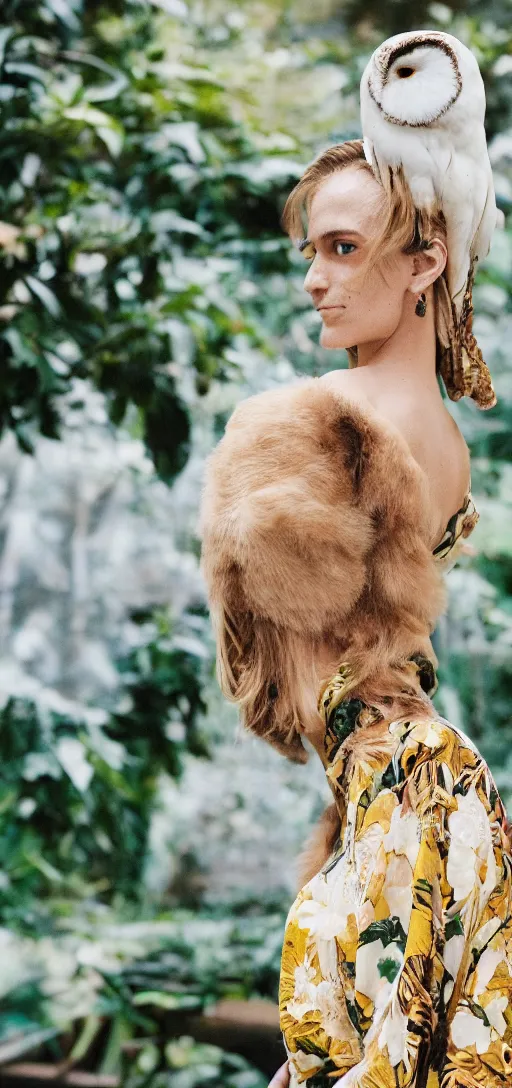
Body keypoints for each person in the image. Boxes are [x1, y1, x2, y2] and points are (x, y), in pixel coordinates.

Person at [199, 138, 512, 1088]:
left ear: (426, 261)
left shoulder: (315, 415)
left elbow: (258, 662)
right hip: (448, 794)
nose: (313, 280)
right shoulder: (449, 445)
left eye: (341, 248)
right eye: (311, 251)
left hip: (397, 799)